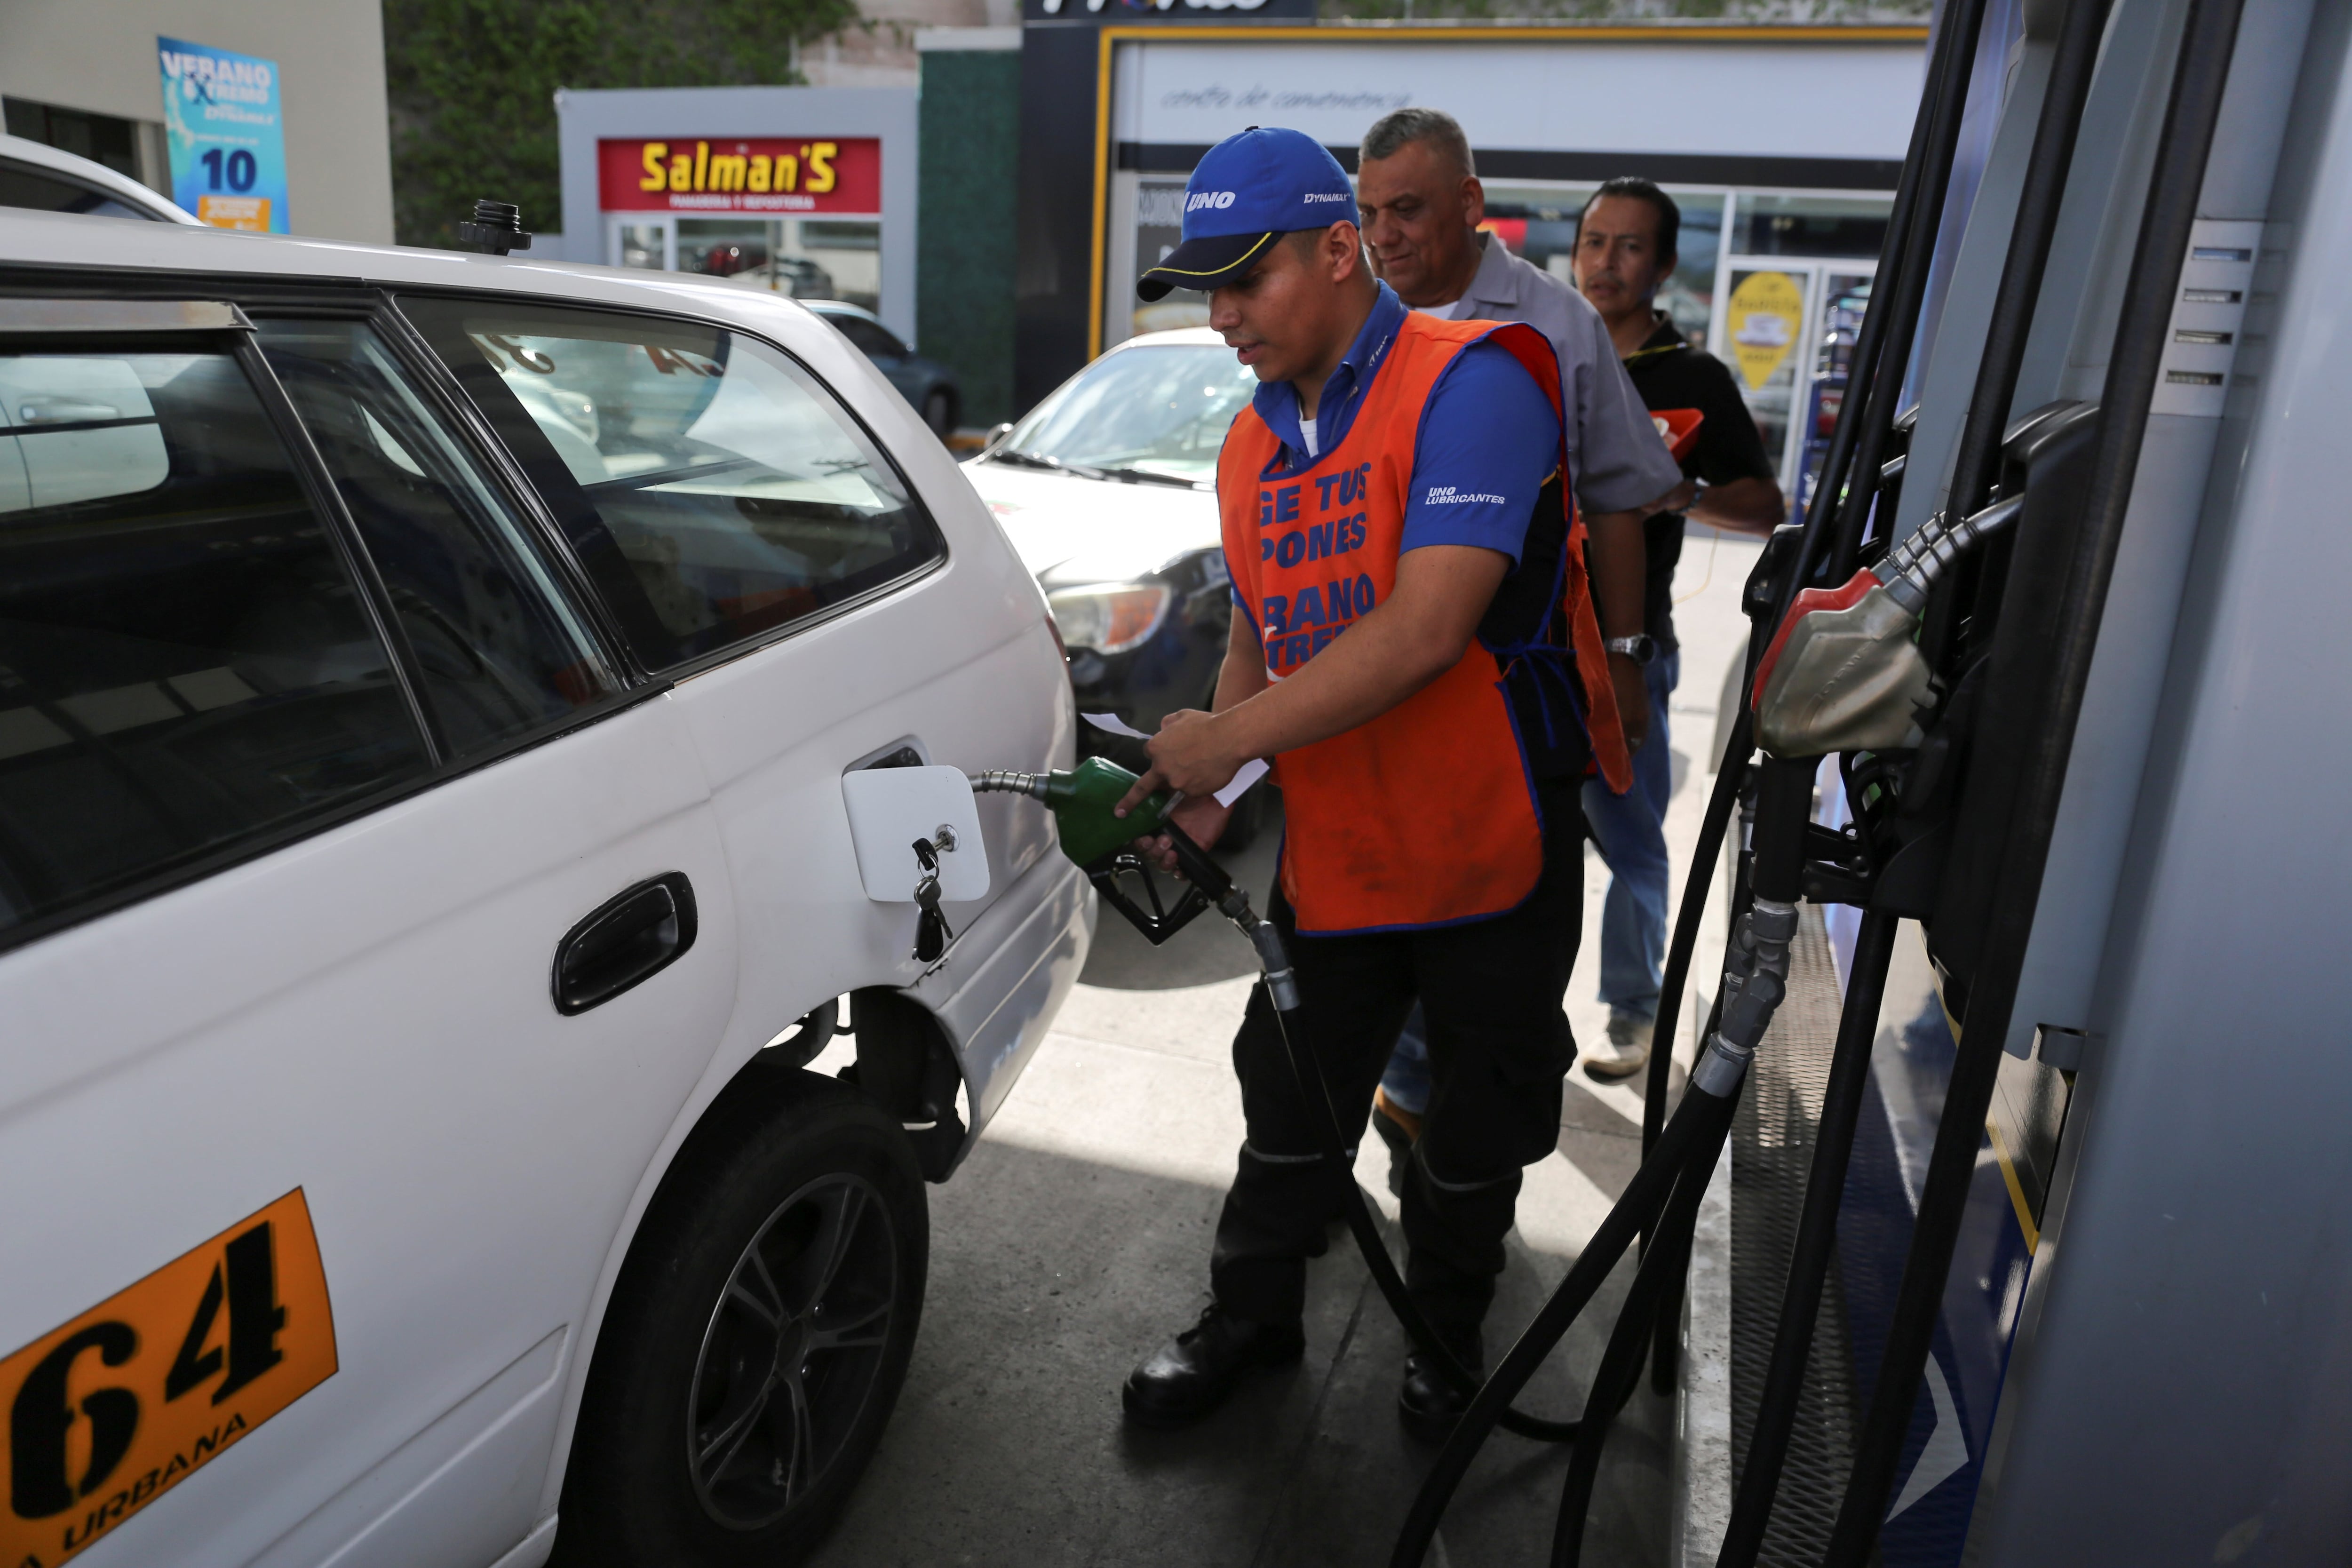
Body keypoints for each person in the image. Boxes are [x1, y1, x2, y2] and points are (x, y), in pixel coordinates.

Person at [1112, 126, 1652, 1442]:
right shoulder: (1249, 445)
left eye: (1248, 279)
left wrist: (1213, 742)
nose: (1223, 316)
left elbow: (1425, 629)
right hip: (1339, 854)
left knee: (1470, 1133)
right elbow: (1262, 638)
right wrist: (1213, 787)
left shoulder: (1478, 379)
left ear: (1340, 250)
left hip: (1486, 847)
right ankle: (1251, 1318)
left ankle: (1447, 1338)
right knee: (1287, 1099)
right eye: (1207, 288)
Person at [1348, 108, 1684, 1145]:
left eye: (1408, 209)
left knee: (1503, 928)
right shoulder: (1356, 319)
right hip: (1380, 688)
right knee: (1392, 915)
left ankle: (1476, 1151)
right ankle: (1406, 1102)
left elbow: (1617, 498)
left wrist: (1623, 663)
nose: (1385, 235)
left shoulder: (1552, 324)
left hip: (1519, 691)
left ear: (1469, 203)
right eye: (1369, 213)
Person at [1571, 177, 1784, 1079]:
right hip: (1528, 648)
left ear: (1661, 267)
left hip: (1631, 648)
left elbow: (1765, 505)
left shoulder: (1692, 379)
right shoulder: (1543, 352)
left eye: (1630, 247)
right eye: (1594, 242)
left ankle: (1635, 1009)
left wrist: (1683, 492)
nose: (1606, 262)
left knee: (1632, 846)